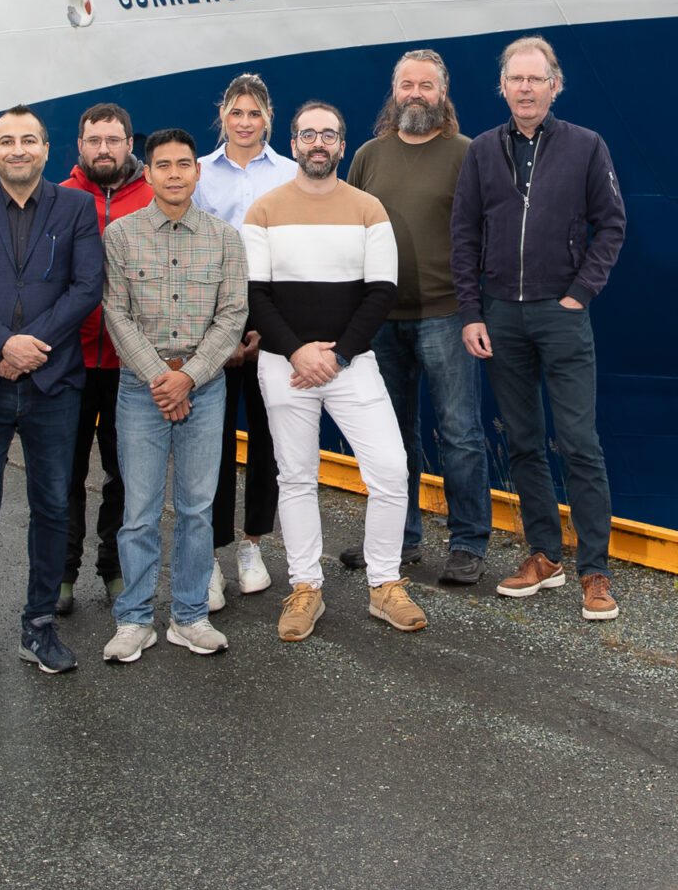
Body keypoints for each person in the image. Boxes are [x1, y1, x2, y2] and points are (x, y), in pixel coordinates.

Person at [451, 38, 627, 622]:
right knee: (523, 441)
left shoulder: (585, 147)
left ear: (555, 86)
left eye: (536, 79)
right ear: (501, 87)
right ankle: (545, 554)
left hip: (561, 313)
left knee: (580, 443)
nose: (525, 89)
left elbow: (611, 225)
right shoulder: (480, 151)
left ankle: (595, 571)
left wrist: (580, 293)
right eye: (515, 79)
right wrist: (473, 312)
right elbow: (465, 237)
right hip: (501, 315)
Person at [243, 101, 426, 641]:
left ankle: (385, 585)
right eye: (308, 134)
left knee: (391, 471)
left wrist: (338, 355)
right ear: (293, 143)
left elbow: (381, 292)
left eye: (328, 134)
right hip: (286, 366)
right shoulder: (264, 209)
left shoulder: (369, 209)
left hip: (352, 364)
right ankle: (305, 588)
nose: (318, 143)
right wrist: (300, 353)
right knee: (296, 478)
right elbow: (256, 296)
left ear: (343, 145)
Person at [0, 105, 105, 682]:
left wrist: (32, 344)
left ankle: (39, 627)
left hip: (53, 383)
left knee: (53, 505)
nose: (17, 149)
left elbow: (86, 287)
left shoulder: (77, 207)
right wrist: (4, 346)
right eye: (6, 141)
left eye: (28, 140)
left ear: (46, 149)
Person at [98, 127, 250, 663]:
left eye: (184, 164)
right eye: (163, 165)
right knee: (137, 510)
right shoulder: (120, 235)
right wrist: (161, 379)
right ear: (148, 173)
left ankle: (189, 617)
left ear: (198, 171)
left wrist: (190, 376)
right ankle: (135, 620)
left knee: (196, 509)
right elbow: (116, 312)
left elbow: (233, 314)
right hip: (141, 390)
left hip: (204, 388)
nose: (175, 174)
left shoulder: (225, 239)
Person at [346, 51, 491, 586]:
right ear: (394, 92)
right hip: (379, 319)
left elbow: (485, 232)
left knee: (460, 433)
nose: (415, 94)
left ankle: (469, 542)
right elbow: (352, 230)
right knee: (390, 435)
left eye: (425, 85)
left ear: (443, 93)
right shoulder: (367, 156)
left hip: (447, 315)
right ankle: (398, 541)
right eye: (406, 84)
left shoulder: (467, 154)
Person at [194, 73, 295, 605]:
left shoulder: (291, 172)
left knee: (266, 436)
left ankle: (253, 543)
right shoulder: (200, 173)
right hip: (211, 310)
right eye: (237, 112)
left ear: (268, 119)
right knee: (209, 439)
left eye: (255, 113)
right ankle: (209, 553)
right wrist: (220, 329)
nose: (246, 122)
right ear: (224, 117)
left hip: (272, 312)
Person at [55, 103, 153, 619]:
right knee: (64, 474)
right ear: (80, 146)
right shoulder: (60, 199)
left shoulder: (153, 197)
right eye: (94, 141)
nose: (103, 150)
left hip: (129, 365)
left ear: (129, 144)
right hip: (69, 363)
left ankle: (113, 567)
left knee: (124, 474)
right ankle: (61, 574)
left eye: (113, 140)